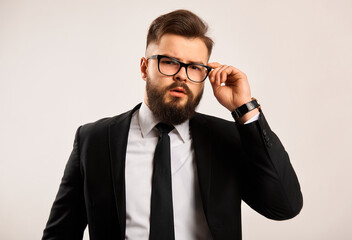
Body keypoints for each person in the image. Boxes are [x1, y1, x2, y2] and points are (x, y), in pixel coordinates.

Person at [42, 9, 302, 240]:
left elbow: (284, 207)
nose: (181, 75)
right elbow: (60, 234)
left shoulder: (226, 139)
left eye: (195, 67)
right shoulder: (94, 140)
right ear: (144, 68)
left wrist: (245, 109)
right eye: (169, 62)